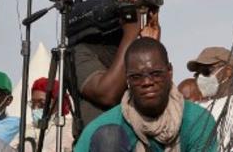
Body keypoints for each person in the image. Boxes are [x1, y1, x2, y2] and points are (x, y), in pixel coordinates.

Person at [74, 37, 217, 151]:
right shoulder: (104, 126)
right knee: (109, 139)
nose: (147, 82)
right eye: (137, 77)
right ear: (127, 79)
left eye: (155, 74)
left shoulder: (197, 121)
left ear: (169, 72)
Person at [73, 0, 161, 133]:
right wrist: (131, 33)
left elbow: (153, 97)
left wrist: (150, 48)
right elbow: (108, 94)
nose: (137, 17)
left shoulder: (130, 49)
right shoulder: (80, 52)